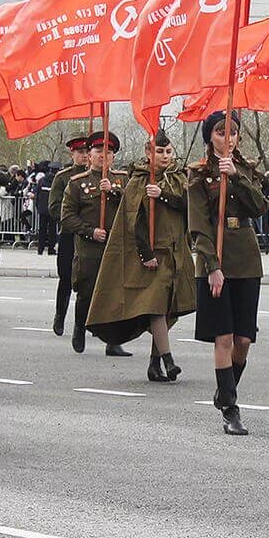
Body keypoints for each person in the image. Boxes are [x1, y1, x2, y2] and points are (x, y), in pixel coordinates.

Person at [83, 129, 196, 381]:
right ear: (148, 152)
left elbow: (190, 206)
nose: (165, 156)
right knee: (155, 307)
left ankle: (154, 364)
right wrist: (146, 254)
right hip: (153, 255)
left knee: (169, 311)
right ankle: (168, 360)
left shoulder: (178, 178)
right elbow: (135, 220)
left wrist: (163, 195)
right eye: (159, 151)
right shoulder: (139, 180)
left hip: (176, 253)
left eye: (168, 151)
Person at [187, 109, 267, 437]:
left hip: (246, 257)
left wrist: (235, 175)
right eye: (221, 132)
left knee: (244, 338)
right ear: (210, 138)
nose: (228, 138)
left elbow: (259, 207)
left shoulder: (246, 170)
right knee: (223, 336)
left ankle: (224, 389)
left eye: (233, 132)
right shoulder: (198, 175)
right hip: (214, 260)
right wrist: (212, 267)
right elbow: (199, 227)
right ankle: (231, 408)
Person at [62, 130, 131, 356]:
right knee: (87, 292)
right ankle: (80, 327)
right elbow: (67, 216)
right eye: (99, 151)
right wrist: (90, 232)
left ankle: (113, 341)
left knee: (115, 294)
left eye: (109, 151)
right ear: (89, 155)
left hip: (116, 248)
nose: (104, 155)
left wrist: (112, 192)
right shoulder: (77, 183)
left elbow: (131, 208)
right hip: (90, 248)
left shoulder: (121, 179)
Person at [46, 134, 88, 336]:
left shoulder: (97, 176)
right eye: (81, 152)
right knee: (66, 279)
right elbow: (54, 208)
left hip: (91, 238)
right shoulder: (63, 177)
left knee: (90, 281)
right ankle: (60, 315)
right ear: (72, 153)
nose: (85, 156)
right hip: (70, 235)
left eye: (88, 152)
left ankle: (87, 323)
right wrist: (75, 219)